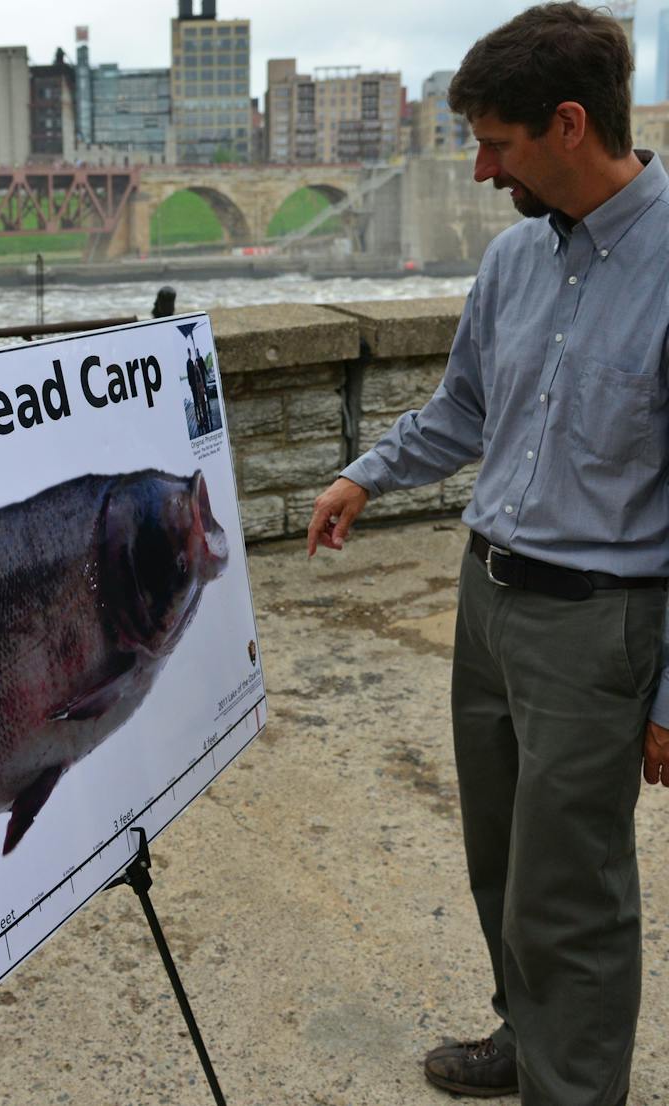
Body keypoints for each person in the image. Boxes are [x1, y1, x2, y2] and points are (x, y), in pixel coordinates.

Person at [304, 6, 669, 1104]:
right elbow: (462, 409)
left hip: (595, 627)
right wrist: (364, 471)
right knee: (502, 866)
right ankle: (527, 1039)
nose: (475, 170)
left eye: (495, 143)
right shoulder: (513, 260)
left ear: (567, 125)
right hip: (487, 602)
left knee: (571, 893)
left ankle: (571, 1088)